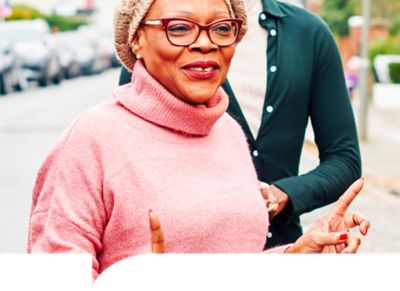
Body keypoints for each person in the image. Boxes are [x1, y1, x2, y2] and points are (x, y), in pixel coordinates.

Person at [28, 0, 369, 279]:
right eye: (178, 27)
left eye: (222, 28)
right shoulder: (92, 141)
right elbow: (52, 280)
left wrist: (295, 257)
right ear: (136, 40)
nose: (205, 42)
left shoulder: (228, 134)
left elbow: (236, 265)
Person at [119, 0, 362, 249]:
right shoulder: (161, 28)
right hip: (181, 252)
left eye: (223, 29)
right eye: (183, 29)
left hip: (285, 252)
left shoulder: (308, 32)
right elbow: (129, 158)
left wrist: (282, 193)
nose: (204, 43)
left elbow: (345, 159)